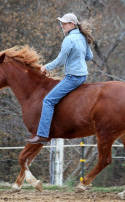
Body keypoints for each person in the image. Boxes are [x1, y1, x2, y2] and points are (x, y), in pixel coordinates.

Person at [26, 13, 94, 144]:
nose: (62, 25)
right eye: (61, 23)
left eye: (64, 23)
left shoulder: (69, 40)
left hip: (73, 77)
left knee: (48, 101)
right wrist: (77, 56)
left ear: (72, 24)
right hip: (82, 76)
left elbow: (60, 61)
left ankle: (42, 135)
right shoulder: (82, 37)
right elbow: (89, 56)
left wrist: (45, 67)